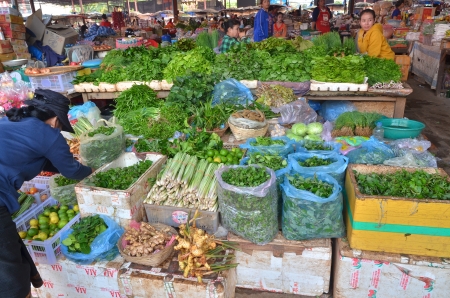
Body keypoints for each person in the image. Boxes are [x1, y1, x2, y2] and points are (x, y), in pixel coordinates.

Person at [0, 89, 93, 298]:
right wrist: (91, 171)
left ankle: (30, 283)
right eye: (60, 125)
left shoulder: (11, 122)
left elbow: (47, 161)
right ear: (54, 120)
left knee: (12, 251)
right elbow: (72, 171)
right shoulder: (48, 134)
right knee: (9, 269)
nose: (59, 129)